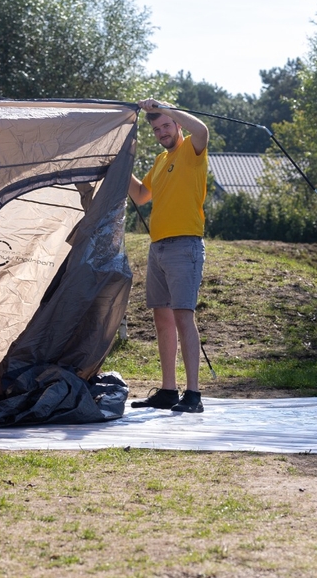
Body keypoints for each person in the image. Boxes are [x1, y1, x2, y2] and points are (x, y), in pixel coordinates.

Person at [127, 98, 210, 413]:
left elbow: (201, 128)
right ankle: (168, 391)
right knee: (161, 317)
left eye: (166, 125)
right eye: (157, 128)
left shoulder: (192, 148)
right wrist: (121, 163)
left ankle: (193, 395)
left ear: (176, 124)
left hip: (184, 246)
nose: (162, 131)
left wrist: (164, 106)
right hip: (158, 247)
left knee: (182, 315)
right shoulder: (161, 161)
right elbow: (140, 195)